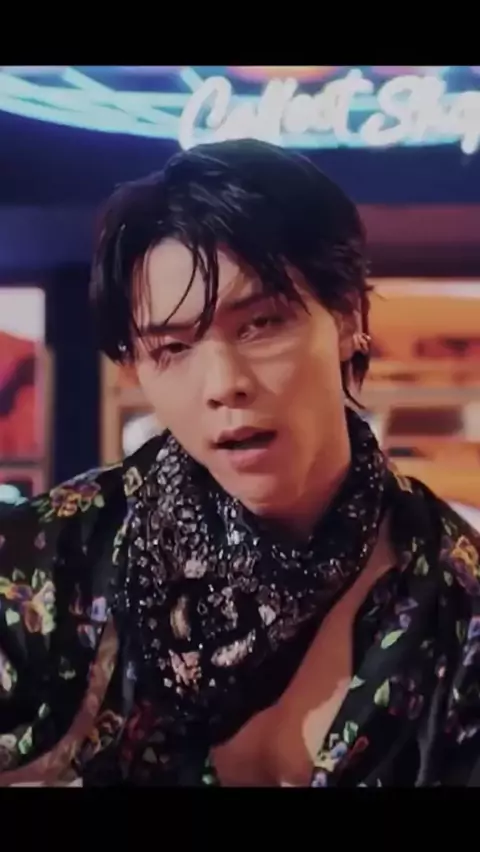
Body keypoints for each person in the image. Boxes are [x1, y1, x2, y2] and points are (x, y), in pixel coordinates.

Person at [0, 139, 479, 787]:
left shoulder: (456, 607)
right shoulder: (50, 562)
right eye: (173, 348)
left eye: (260, 325)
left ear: (345, 319)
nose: (224, 383)